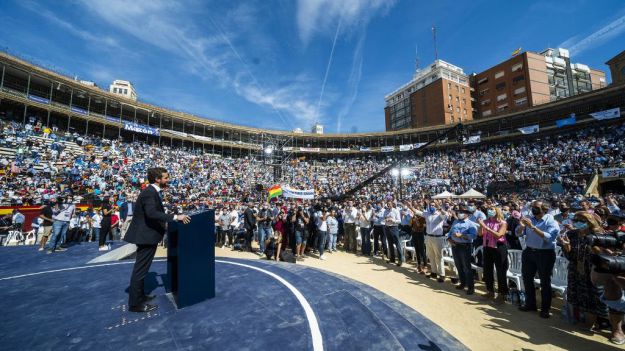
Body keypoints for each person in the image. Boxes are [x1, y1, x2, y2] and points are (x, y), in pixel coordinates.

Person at [125, 167, 190, 313]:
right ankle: (135, 304)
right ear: (157, 179)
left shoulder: (151, 191)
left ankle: (140, 296)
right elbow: (152, 213)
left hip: (147, 236)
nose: (168, 180)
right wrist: (175, 217)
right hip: (146, 236)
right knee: (140, 270)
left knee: (142, 269)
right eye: (166, 178)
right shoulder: (149, 192)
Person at [558, 212, 609, 331]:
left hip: (592, 272)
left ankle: (595, 323)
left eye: (581, 220)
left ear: (590, 222)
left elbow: (603, 256)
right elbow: (569, 255)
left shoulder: (598, 235)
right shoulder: (572, 234)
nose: (577, 222)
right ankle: (582, 320)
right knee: (578, 296)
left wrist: (594, 247)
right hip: (576, 271)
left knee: (593, 298)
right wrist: (566, 246)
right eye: (575, 220)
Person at [516, 200, 560, 318]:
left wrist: (532, 227)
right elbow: (518, 233)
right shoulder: (530, 218)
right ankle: (531, 304)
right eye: (532, 207)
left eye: (536, 207)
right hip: (529, 251)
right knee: (527, 278)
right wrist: (521, 226)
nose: (533, 209)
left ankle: (545, 309)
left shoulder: (551, 221)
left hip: (545, 254)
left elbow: (549, 238)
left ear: (544, 209)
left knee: (545, 281)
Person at [478, 206, 508, 304]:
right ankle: (490, 291)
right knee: (487, 270)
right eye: (489, 209)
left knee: (500, 271)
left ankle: (502, 294)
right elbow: (480, 234)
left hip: (499, 248)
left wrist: (486, 227)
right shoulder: (486, 221)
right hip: (487, 246)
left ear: (497, 211)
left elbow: (499, 235)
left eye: (492, 209)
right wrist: (481, 226)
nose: (490, 211)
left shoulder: (502, 223)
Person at [412, 201, 448, 282]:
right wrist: (410, 206)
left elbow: (445, 214)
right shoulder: (427, 213)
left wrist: (439, 206)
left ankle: (442, 274)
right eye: (430, 205)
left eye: (433, 205)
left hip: (437, 238)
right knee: (431, 256)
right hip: (428, 237)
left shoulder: (439, 214)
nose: (431, 206)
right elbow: (417, 212)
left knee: (439, 257)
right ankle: (434, 272)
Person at [448, 205, 478, 295]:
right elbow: (450, 232)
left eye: (462, 212)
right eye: (459, 212)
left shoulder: (470, 224)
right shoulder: (455, 222)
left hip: (465, 246)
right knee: (458, 266)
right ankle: (463, 283)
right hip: (455, 245)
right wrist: (449, 239)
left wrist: (462, 235)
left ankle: (470, 287)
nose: (460, 214)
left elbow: (473, 236)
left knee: (466, 267)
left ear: (467, 214)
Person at [384, 201, 404, 267]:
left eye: (389, 204)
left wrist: (392, 220)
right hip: (387, 228)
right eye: (388, 204)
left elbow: (399, 221)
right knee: (390, 244)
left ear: (392, 204)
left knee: (397, 244)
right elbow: (384, 218)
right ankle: (392, 259)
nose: (388, 205)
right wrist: (386, 219)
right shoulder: (385, 211)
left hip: (394, 228)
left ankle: (400, 260)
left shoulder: (396, 211)